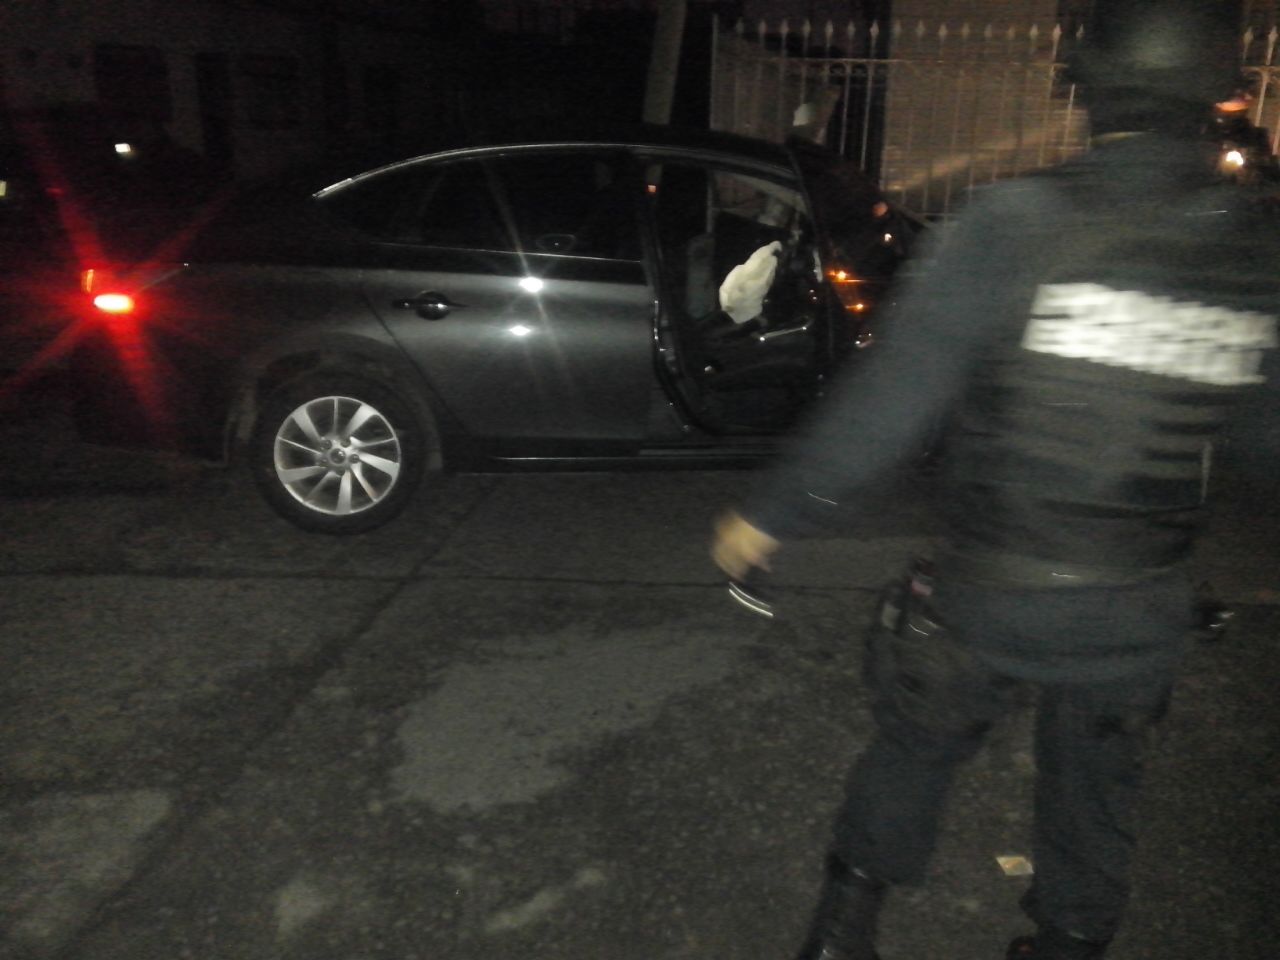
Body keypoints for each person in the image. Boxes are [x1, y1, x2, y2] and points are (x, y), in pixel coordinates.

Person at [709, 2, 1280, 959]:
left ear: (1084, 84)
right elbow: (1266, 437)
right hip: (1137, 601)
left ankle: (841, 936)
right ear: (1218, 93)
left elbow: (896, 400)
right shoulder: (1255, 254)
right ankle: (1068, 941)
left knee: (916, 746)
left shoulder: (1014, 224)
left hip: (992, 589)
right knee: (1097, 787)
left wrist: (771, 515)